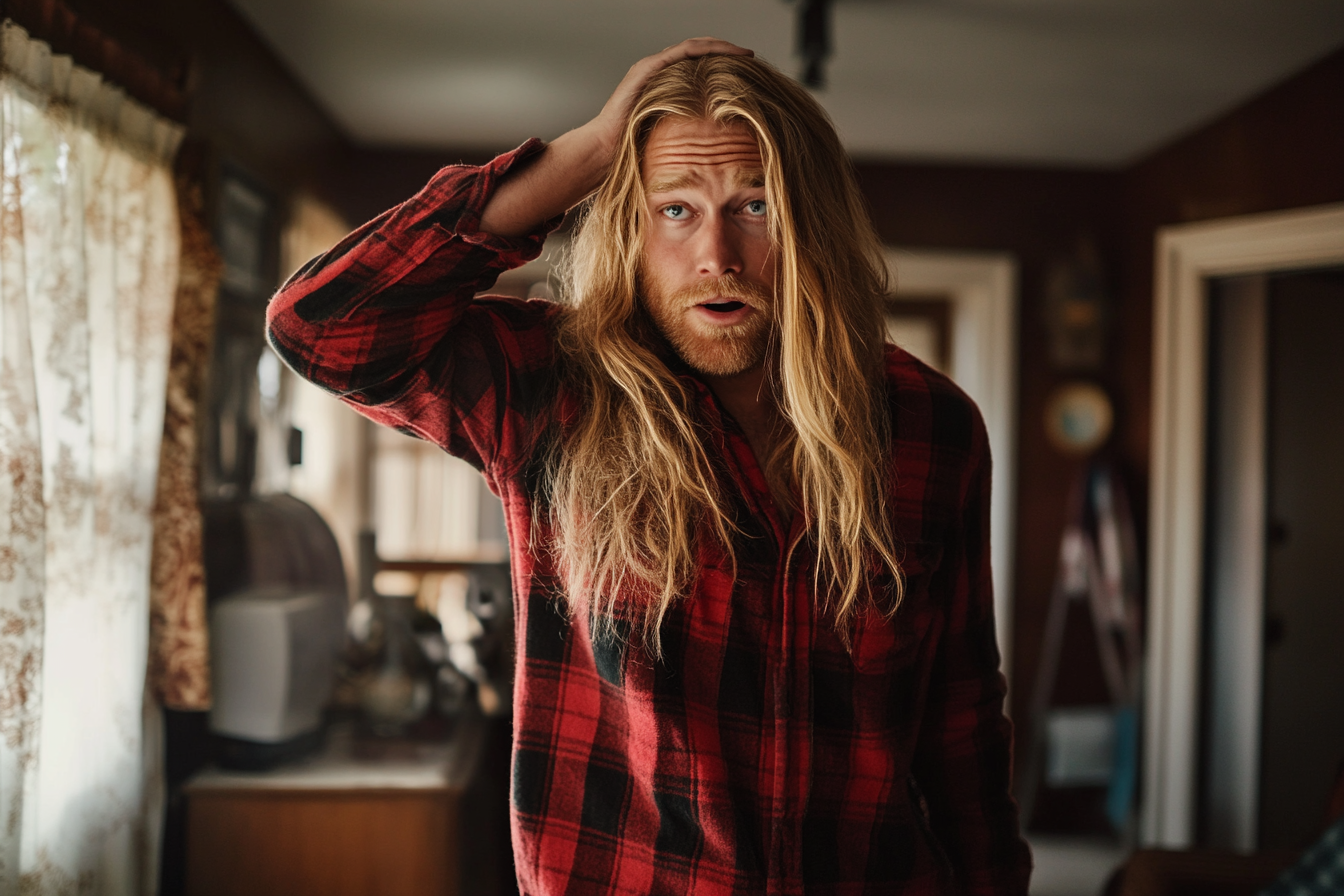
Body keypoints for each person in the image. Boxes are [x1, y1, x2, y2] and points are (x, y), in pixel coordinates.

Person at [268, 37, 1031, 895]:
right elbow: (319, 326)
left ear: (811, 222)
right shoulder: (551, 388)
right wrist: (593, 149)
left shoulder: (932, 427)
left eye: (756, 207)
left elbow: (961, 722)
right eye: (676, 209)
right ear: (628, 223)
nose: (718, 257)